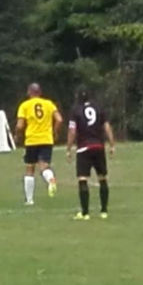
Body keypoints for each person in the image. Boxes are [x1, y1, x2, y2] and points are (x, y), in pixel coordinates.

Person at [67, 91, 116, 219]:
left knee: (82, 179)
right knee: (102, 177)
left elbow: (72, 130)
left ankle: (85, 213)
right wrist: (111, 144)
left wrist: (68, 148)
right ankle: (104, 211)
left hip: (84, 148)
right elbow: (106, 126)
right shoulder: (99, 108)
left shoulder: (76, 110)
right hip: (99, 147)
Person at [15, 83, 63, 206]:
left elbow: (20, 125)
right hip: (46, 139)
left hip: (32, 140)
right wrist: (55, 132)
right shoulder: (48, 104)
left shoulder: (25, 105)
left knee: (30, 169)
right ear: (40, 92)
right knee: (44, 166)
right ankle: (50, 179)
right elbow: (59, 119)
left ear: (29, 92)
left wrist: (17, 136)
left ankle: (29, 200)